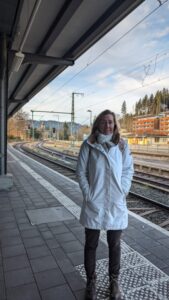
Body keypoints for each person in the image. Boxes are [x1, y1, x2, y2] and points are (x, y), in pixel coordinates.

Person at [76, 110, 134, 300]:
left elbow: (127, 170)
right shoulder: (88, 145)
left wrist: (123, 190)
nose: (107, 126)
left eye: (110, 122)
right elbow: (81, 172)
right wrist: (88, 194)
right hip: (95, 202)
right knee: (90, 244)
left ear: (115, 124)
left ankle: (114, 282)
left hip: (116, 203)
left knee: (115, 245)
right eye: (104, 122)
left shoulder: (123, 146)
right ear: (98, 125)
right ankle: (91, 282)